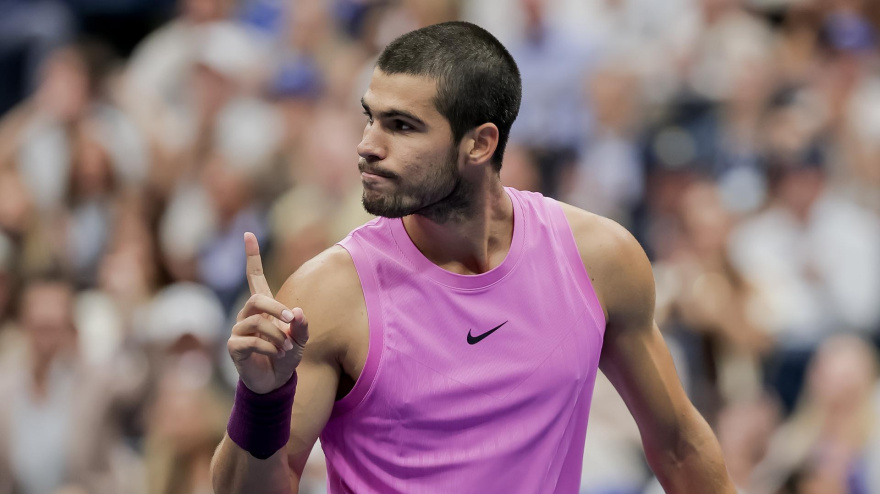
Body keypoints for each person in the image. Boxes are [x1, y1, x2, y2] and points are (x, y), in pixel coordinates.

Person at [210, 21, 735, 493]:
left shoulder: (601, 257)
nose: (368, 145)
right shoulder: (327, 293)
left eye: (401, 126)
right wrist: (261, 399)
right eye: (370, 118)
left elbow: (679, 446)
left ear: (480, 144)